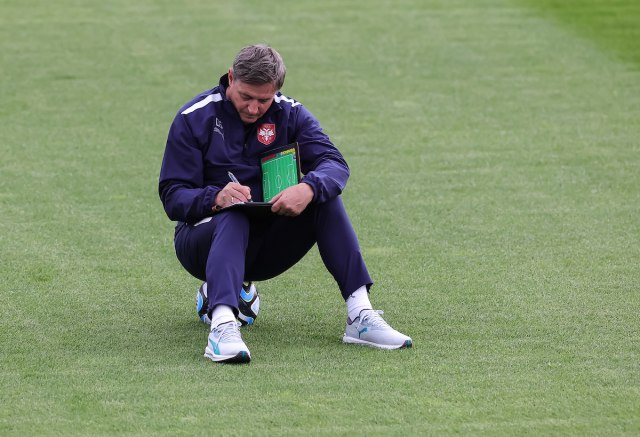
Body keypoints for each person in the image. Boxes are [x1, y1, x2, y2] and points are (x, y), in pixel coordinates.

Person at [159, 44, 412, 364]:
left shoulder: (290, 114)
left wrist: (308, 188)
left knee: (324, 198)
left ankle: (360, 316)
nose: (253, 108)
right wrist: (215, 197)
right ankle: (222, 326)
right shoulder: (194, 117)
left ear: (277, 90)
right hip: (201, 242)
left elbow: (334, 163)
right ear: (231, 78)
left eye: (263, 100)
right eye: (246, 97)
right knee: (234, 215)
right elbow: (173, 195)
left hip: (268, 246)